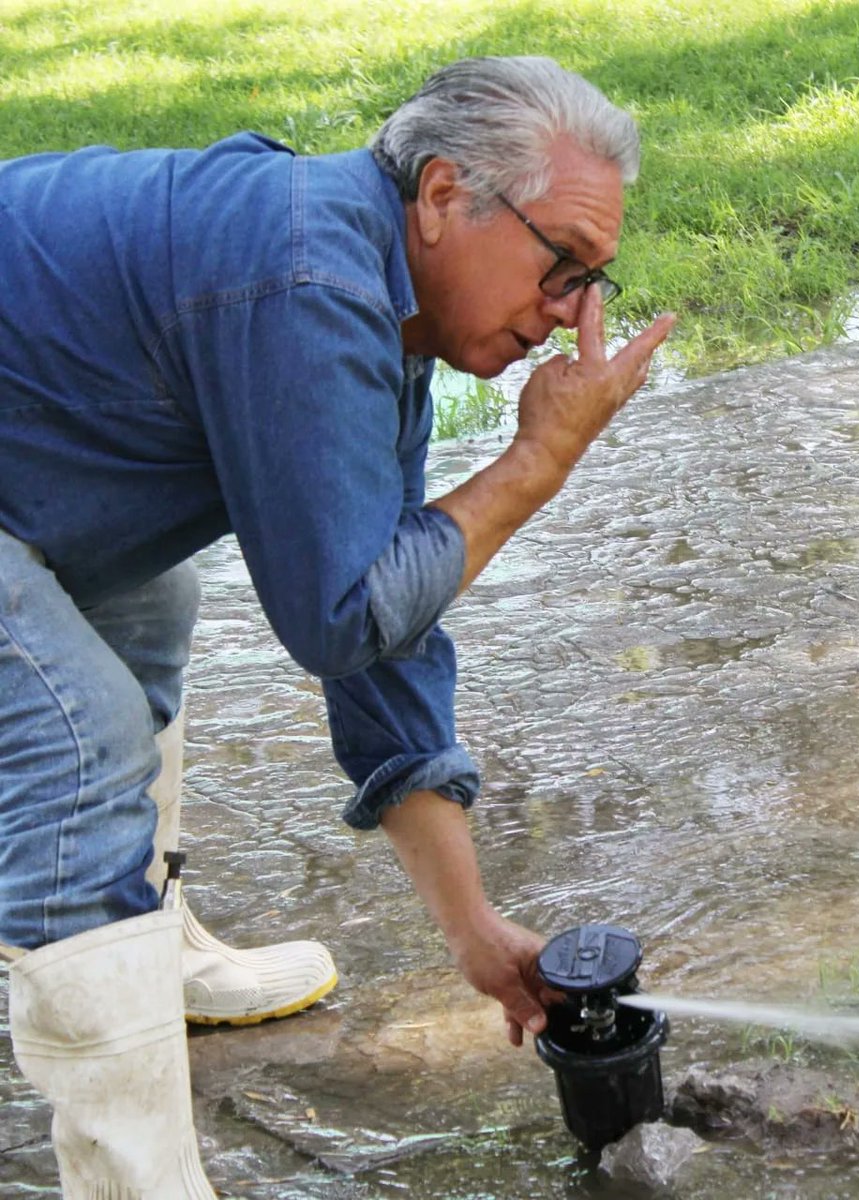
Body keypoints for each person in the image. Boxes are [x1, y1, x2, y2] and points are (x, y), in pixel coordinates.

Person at [0, 54, 675, 1195]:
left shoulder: (376, 296)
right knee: (79, 741)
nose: (572, 315)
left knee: (148, 603)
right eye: (561, 264)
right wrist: (535, 463)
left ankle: (140, 943)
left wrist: (473, 931)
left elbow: (387, 628)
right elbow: (343, 613)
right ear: (444, 195)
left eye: (596, 280)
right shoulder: (311, 283)